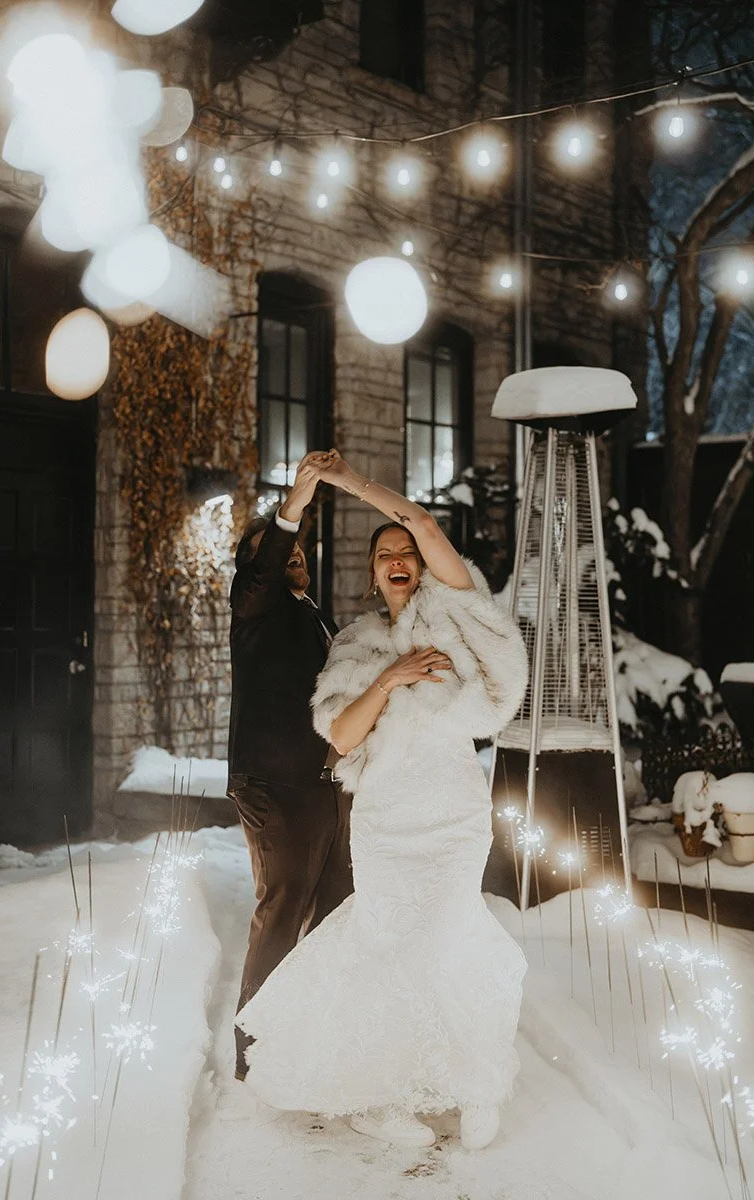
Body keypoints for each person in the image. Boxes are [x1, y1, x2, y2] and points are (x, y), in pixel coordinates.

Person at [237, 451, 528, 1150]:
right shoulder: (356, 642)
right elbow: (339, 733)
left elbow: (421, 520)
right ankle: (382, 1093)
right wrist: (390, 679)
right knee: (389, 955)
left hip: (454, 815)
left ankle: (477, 1084)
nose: (398, 558)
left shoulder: (455, 611)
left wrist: (344, 483)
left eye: (405, 552)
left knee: (457, 942)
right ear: (371, 574)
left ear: (422, 565)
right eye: (384, 555)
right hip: (387, 823)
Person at [227, 450, 353, 1082]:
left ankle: (316, 1030)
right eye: (280, 550)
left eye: (301, 548)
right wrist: (291, 508)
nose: (294, 554)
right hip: (275, 782)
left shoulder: (309, 610)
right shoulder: (254, 606)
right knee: (284, 905)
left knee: (336, 905)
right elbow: (265, 566)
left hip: (324, 782)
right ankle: (255, 1049)